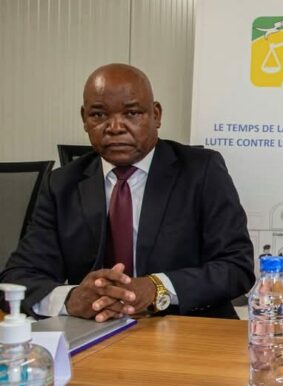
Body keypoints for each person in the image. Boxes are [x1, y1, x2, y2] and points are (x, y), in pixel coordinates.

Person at [0, 63, 254, 321]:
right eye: (99, 115)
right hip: (96, 331)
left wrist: (157, 288)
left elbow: (236, 267)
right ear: (84, 119)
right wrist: (71, 299)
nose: (115, 127)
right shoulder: (62, 184)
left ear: (156, 115)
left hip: (188, 329)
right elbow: (18, 279)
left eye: (132, 113)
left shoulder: (201, 171)